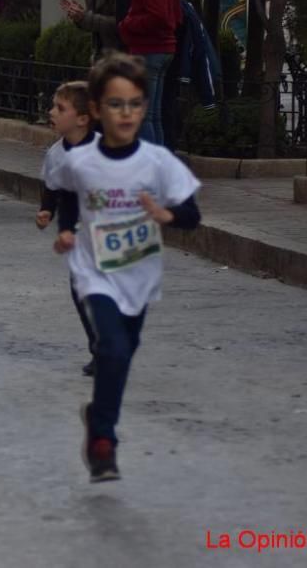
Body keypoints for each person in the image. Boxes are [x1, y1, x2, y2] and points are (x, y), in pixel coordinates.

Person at [48, 53, 201, 482]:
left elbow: (192, 214)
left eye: (135, 103)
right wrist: (65, 230)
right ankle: (103, 441)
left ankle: (97, 412)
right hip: (94, 272)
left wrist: (169, 217)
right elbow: (66, 196)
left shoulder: (158, 162)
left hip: (139, 273)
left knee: (124, 353)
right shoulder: (79, 160)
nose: (126, 113)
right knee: (111, 349)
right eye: (116, 104)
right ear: (96, 110)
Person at [36, 81, 100, 377]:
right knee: (79, 289)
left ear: (83, 118)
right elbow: (52, 187)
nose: (52, 112)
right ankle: (98, 345)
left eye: (60, 108)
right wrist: (46, 210)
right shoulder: (55, 154)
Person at [118, 0, 182, 146]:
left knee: (144, 116)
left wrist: (128, 24)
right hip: (161, 49)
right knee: (152, 116)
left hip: (150, 49)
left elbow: (159, 16)